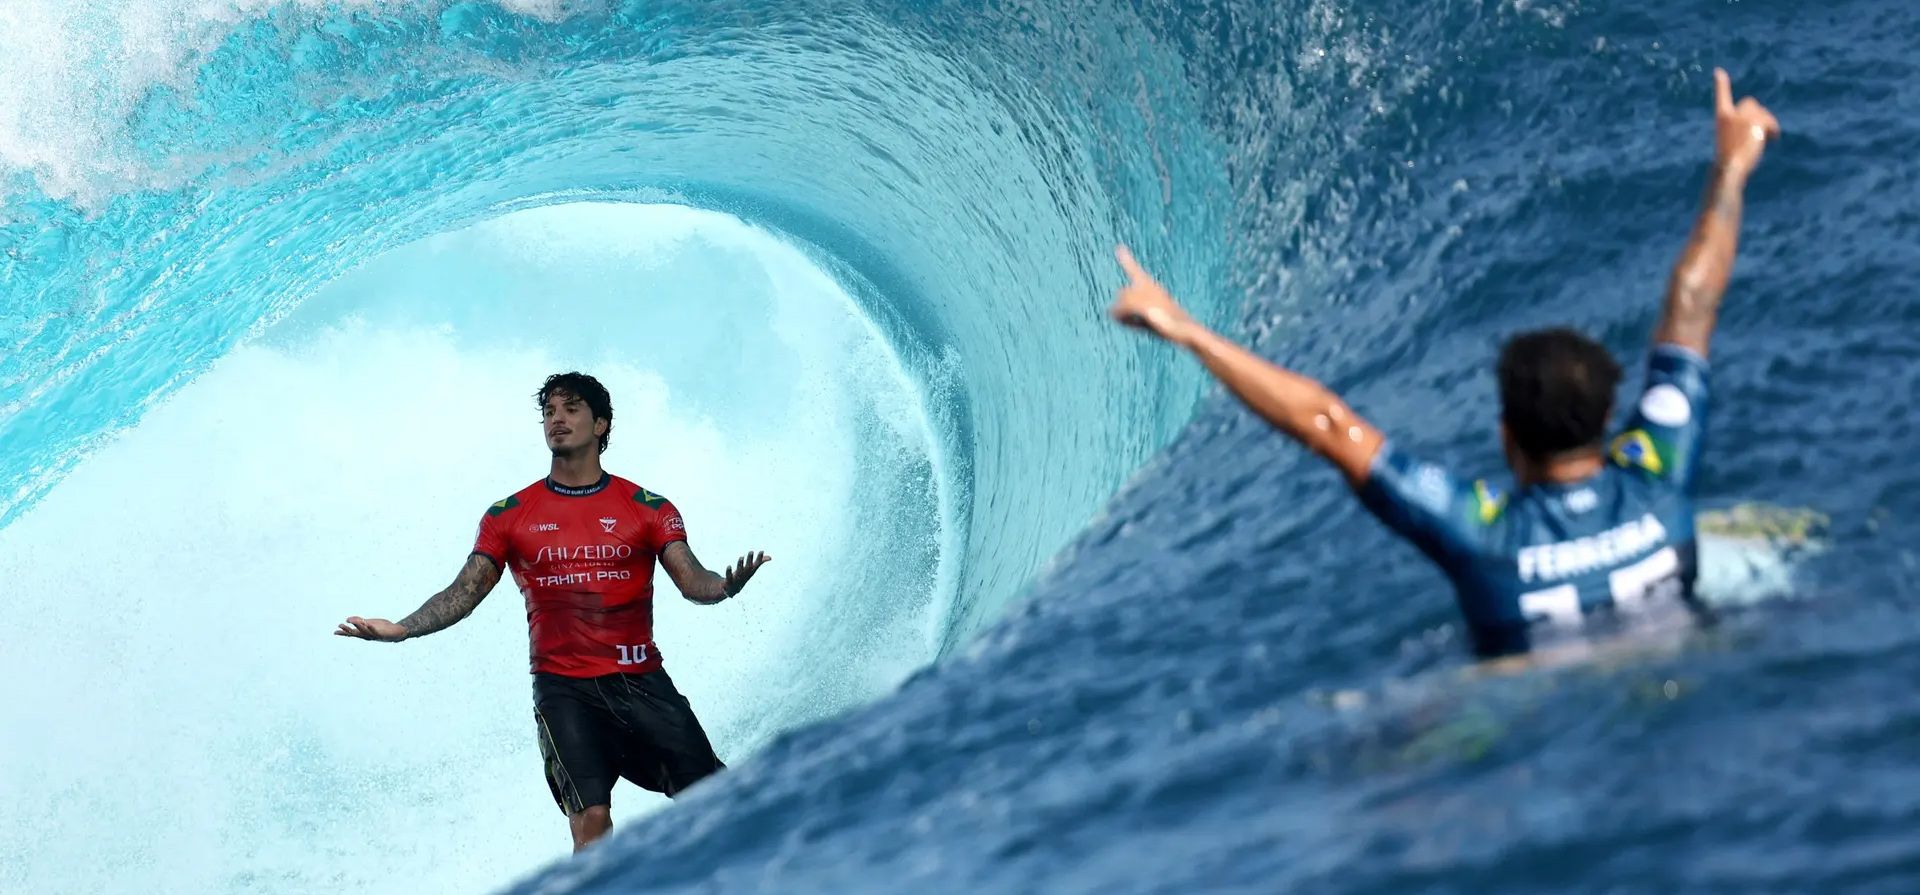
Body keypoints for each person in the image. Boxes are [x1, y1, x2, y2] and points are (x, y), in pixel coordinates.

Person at [1107, 70, 1779, 659]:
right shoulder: (1660, 480)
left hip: (1533, 688)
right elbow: (1692, 306)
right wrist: (1732, 165)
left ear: (1506, 435)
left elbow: (1327, 422)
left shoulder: (1484, 533)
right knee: (1763, 540)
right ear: (1609, 418)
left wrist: (1185, 329)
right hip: (1677, 644)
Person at [336, 372, 771, 851]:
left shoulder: (646, 507)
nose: (556, 420)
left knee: (712, 801)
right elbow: (464, 591)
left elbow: (693, 579)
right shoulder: (510, 513)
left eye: (571, 409)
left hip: (641, 683)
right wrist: (402, 628)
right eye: (548, 412)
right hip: (564, 691)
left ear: (601, 423)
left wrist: (726, 586)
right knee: (591, 818)